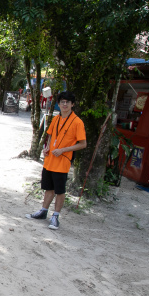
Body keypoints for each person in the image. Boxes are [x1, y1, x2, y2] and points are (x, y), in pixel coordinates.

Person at [25, 91, 87, 230]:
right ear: (58, 104)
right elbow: (51, 136)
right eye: (62, 102)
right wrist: (47, 148)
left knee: (60, 190)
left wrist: (63, 150)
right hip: (50, 159)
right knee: (49, 188)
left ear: (73, 104)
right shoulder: (55, 119)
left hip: (63, 160)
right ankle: (43, 211)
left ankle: (55, 216)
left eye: (67, 102)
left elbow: (83, 144)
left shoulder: (77, 122)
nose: (64, 104)